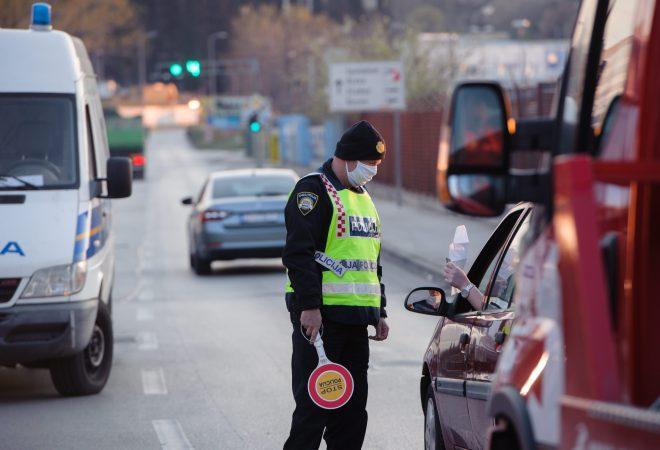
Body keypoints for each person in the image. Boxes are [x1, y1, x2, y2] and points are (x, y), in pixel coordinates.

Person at [283, 120, 389, 450]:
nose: (372, 170)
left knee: (352, 413)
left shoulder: (363, 197)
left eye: (376, 164)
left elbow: (371, 259)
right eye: (368, 163)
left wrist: (379, 310)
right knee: (314, 410)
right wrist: (310, 308)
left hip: (356, 322)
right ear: (345, 158)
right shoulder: (312, 191)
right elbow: (299, 254)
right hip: (322, 321)